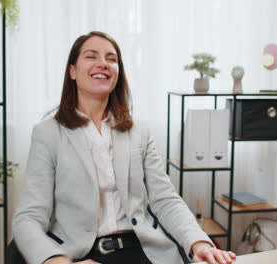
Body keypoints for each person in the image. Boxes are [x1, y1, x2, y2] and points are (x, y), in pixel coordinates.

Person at [12, 31, 236, 264]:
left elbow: (165, 199)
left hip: (141, 249)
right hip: (79, 254)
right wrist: (56, 261)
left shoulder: (140, 131)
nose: (103, 64)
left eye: (111, 59)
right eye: (91, 56)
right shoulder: (48, 133)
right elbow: (28, 217)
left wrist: (198, 242)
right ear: (72, 71)